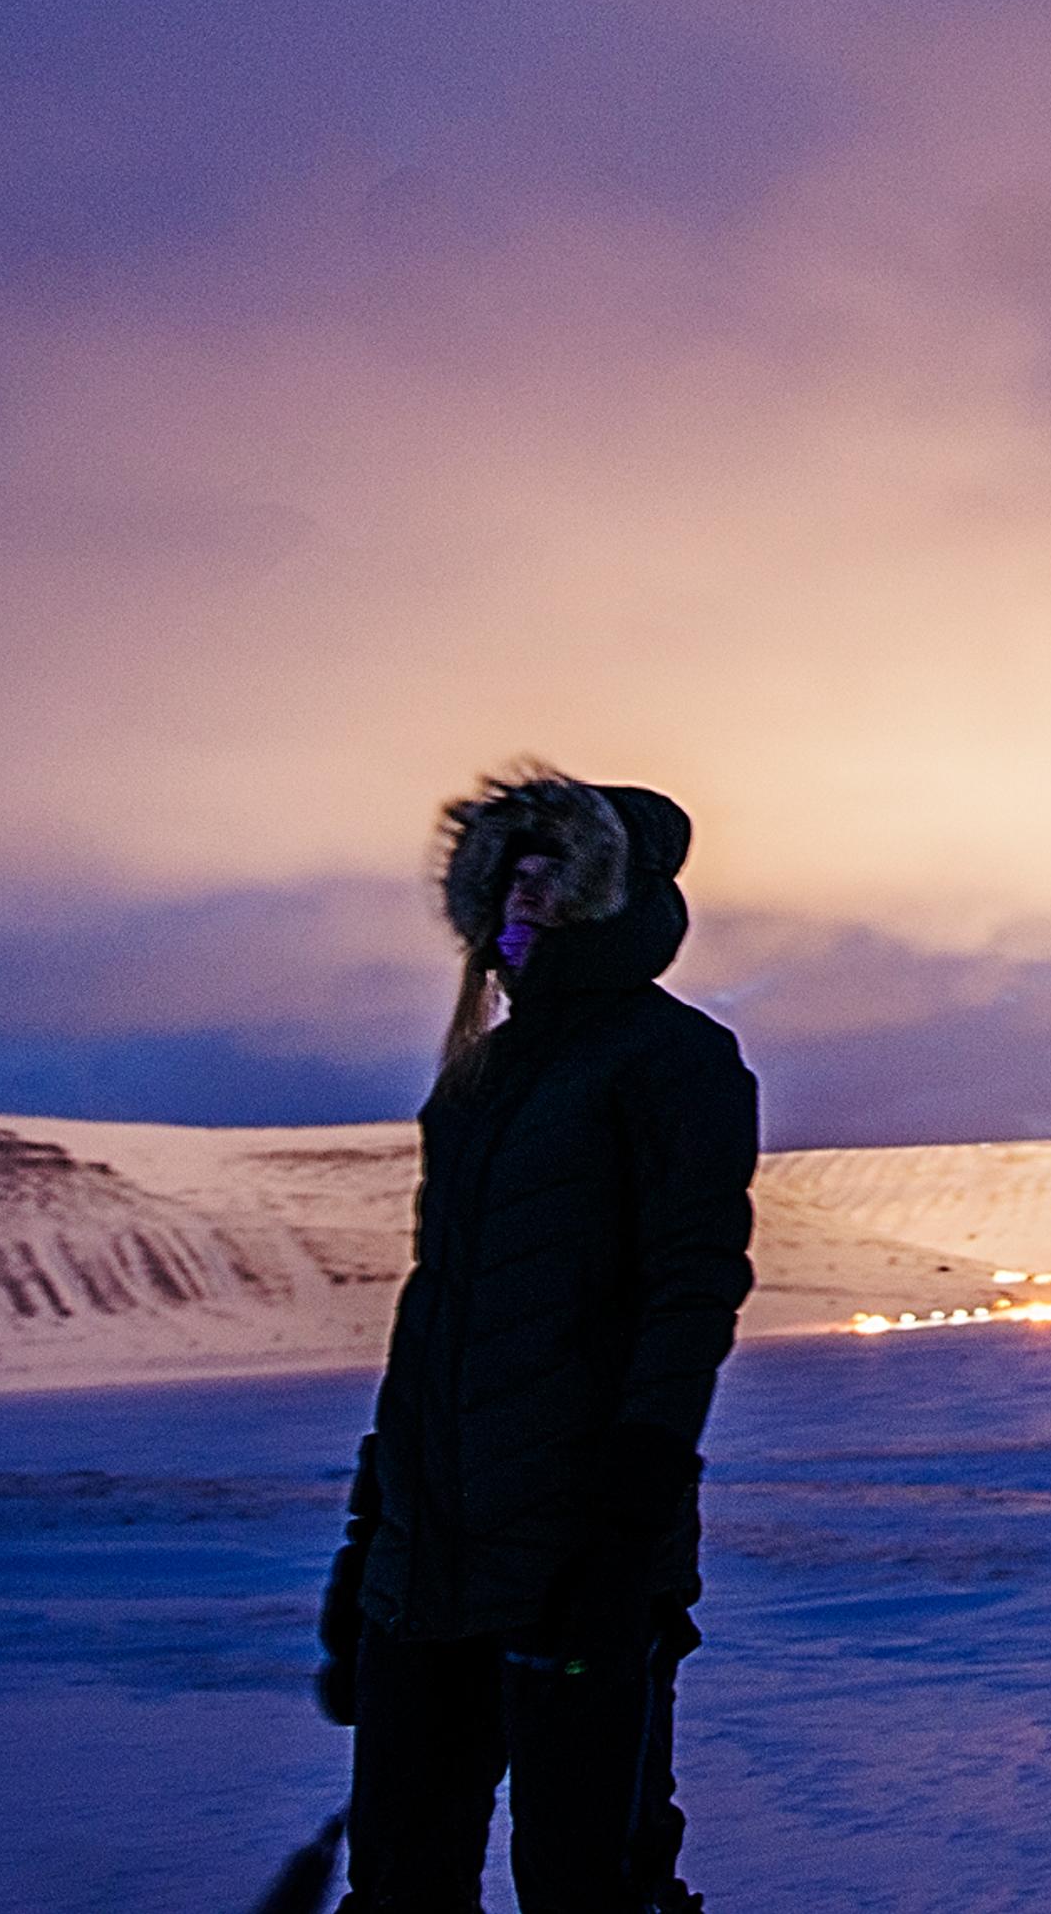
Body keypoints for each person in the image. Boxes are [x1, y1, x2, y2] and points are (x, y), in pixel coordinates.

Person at [315, 767, 758, 1914]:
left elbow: (692, 1289)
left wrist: (627, 1518)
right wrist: (371, 1537)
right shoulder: (478, 1080)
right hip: (427, 1561)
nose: (525, 893)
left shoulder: (674, 1059)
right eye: (510, 870)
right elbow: (439, 1317)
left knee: (589, 1886)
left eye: (553, 869)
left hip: (579, 1557)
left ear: (613, 893)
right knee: (399, 1885)